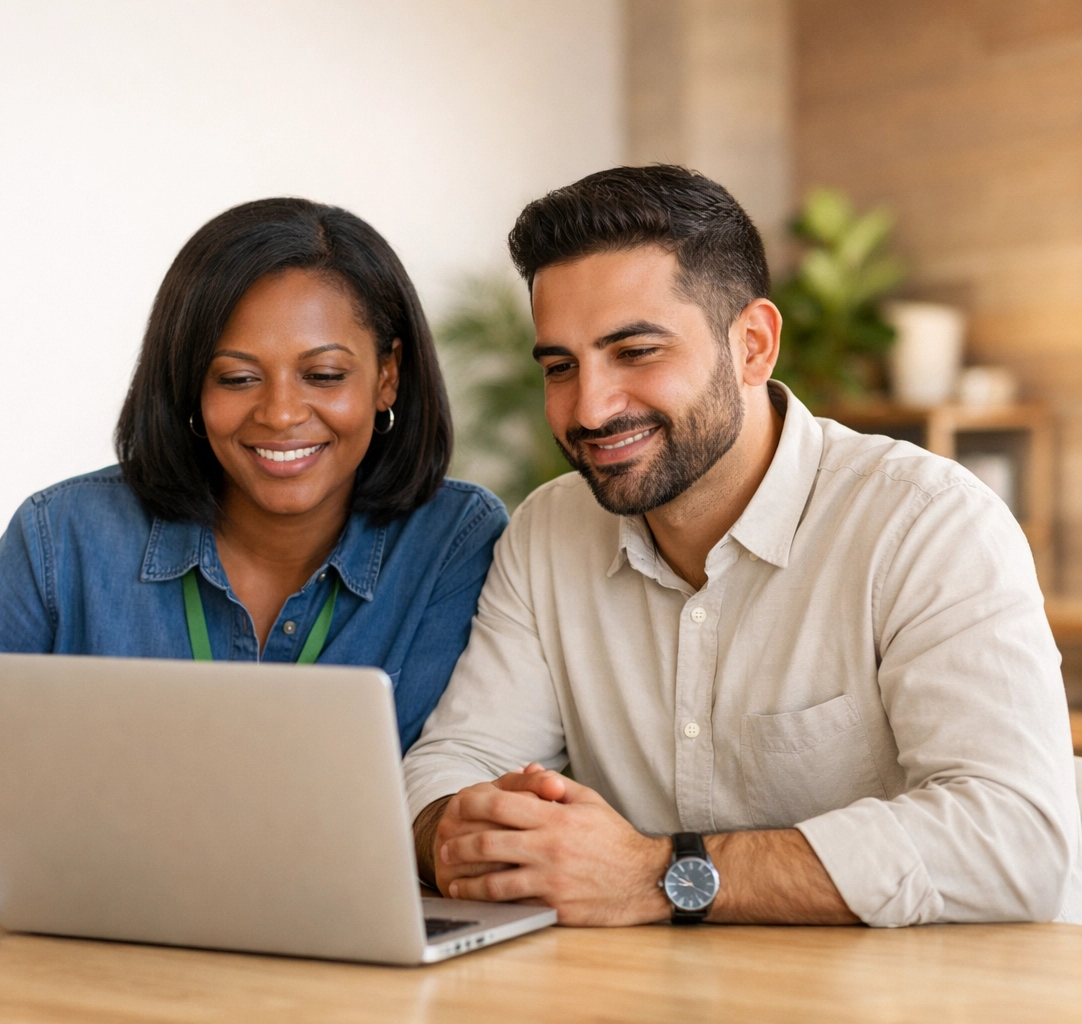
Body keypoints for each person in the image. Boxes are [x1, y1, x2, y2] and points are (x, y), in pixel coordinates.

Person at [403, 165, 1082, 927]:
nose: (589, 407)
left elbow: (1018, 840)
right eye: (561, 366)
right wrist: (464, 829)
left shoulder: (926, 523)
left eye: (636, 352)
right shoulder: (546, 533)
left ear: (754, 345)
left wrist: (659, 875)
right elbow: (453, 763)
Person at [0, 197, 508, 868]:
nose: (282, 413)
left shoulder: (455, 542)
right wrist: (97, 851)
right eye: (237, 377)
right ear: (190, 386)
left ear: (388, 376)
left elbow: (455, 789)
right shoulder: (65, 536)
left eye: (323, 375)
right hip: (99, 948)